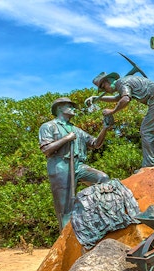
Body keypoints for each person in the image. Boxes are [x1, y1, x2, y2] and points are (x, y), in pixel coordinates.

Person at [39, 97, 111, 231]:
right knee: (65, 208)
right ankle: (65, 240)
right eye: (70, 106)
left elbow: (95, 144)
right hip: (60, 165)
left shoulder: (76, 130)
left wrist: (105, 128)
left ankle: (94, 214)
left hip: (78, 165)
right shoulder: (49, 126)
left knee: (103, 179)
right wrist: (66, 138)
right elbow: (46, 149)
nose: (73, 109)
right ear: (60, 108)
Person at [88, 72, 154, 168]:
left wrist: (112, 111)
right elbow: (116, 98)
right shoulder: (125, 82)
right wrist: (97, 98)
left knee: (147, 131)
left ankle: (149, 164)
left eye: (104, 87)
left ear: (109, 81)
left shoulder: (121, 83)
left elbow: (125, 99)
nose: (106, 91)